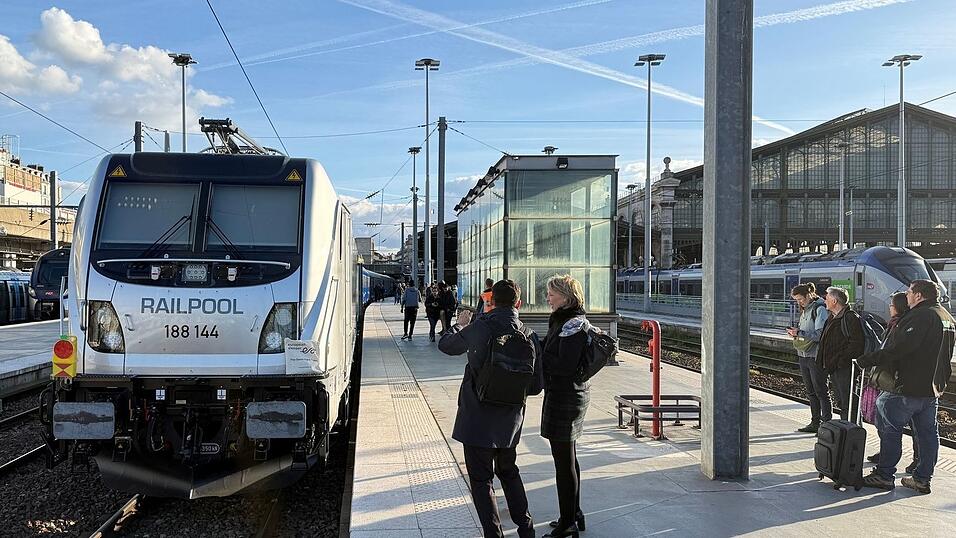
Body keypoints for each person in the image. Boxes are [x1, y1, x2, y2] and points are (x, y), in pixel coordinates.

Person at [438, 280, 543, 538]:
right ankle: (526, 530)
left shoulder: (480, 326)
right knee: (509, 472)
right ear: (519, 303)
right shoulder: (529, 334)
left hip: (477, 419)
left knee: (482, 480)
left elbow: (447, 346)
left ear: (491, 301)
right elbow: (536, 386)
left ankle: (493, 535)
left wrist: (459, 325)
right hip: (510, 422)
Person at [858, 279, 955, 494]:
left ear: (919, 295)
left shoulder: (921, 316)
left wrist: (868, 359)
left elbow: (899, 348)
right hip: (931, 389)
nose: (907, 295)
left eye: (909, 292)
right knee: (928, 435)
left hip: (907, 386)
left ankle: (884, 475)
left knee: (890, 429)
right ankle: (922, 479)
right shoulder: (946, 317)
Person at [541, 274, 591, 538]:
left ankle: (567, 523)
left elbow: (564, 365)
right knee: (568, 457)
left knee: (563, 461)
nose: (547, 298)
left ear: (565, 296)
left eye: (551, 293)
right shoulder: (565, 321)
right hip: (566, 394)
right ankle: (574, 513)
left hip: (566, 396)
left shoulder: (572, 325)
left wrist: (541, 357)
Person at [866, 292, 917, 468]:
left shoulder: (902, 325)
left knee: (903, 424)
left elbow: (893, 351)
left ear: (897, 307)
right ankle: (885, 453)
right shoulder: (893, 324)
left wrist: (871, 359)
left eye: (891, 305)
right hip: (887, 378)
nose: (889, 308)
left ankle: (902, 463)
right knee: (884, 421)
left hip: (897, 381)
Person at [815, 286, 865, 421]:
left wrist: (840, 361)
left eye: (827, 298)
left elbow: (856, 344)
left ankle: (852, 433)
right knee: (842, 403)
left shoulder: (849, 318)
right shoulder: (832, 317)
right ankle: (846, 431)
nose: (824, 301)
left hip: (844, 369)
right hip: (835, 367)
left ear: (835, 301)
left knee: (848, 402)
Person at [788, 282, 830, 433]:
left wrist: (799, 333)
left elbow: (820, 335)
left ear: (808, 295)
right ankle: (815, 422)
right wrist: (796, 332)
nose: (799, 302)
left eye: (800, 299)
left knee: (820, 391)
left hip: (815, 356)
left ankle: (826, 423)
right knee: (811, 391)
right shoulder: (805, 309)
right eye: (796, 300)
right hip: (803, 355)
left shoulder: (819, 309)